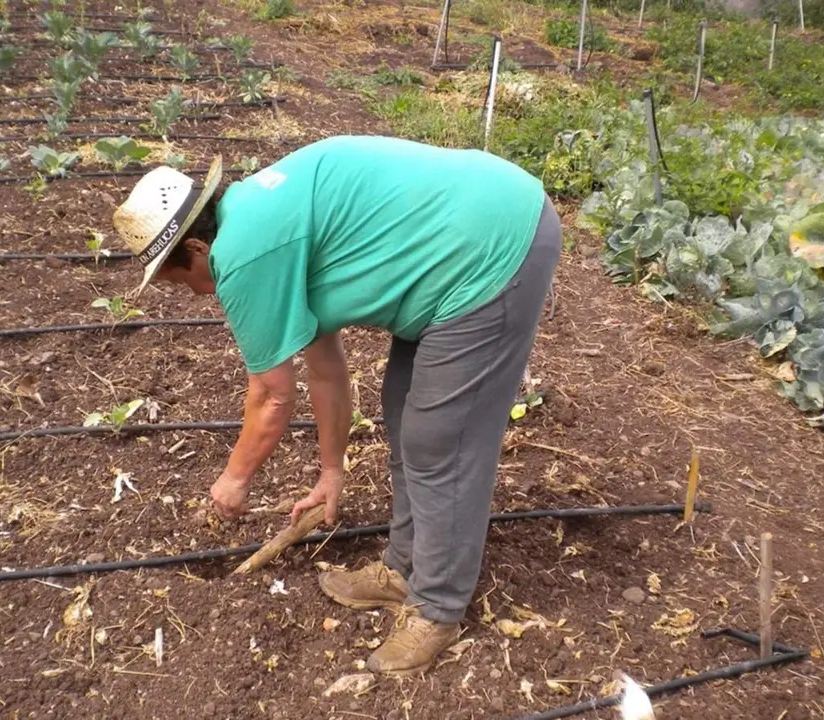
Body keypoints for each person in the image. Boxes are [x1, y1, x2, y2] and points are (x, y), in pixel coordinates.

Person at [112, 135, 562, 676]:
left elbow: (272, 397)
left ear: (198, 250)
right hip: (458, 240)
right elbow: (325, 370)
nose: (195, 295)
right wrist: (331, 472)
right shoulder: (257, 217)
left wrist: (234, 481)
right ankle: (404, 568)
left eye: (180, 279)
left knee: (441, 439)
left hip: (491, 245)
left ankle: (438, 607)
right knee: (403, 413)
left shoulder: (242, 253)